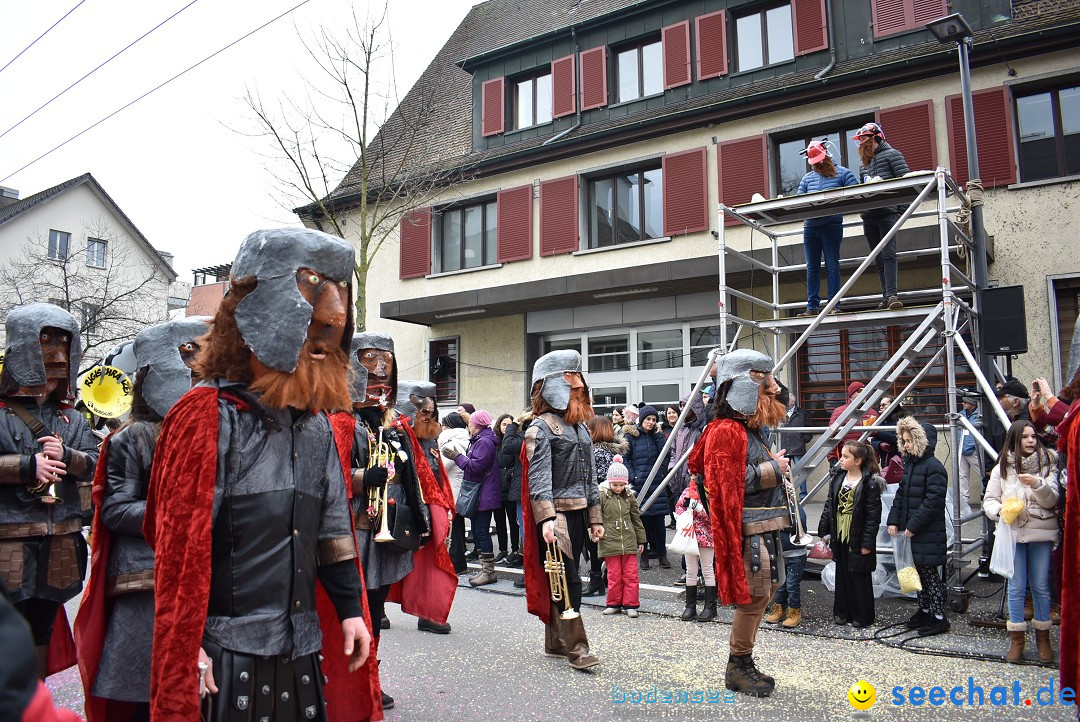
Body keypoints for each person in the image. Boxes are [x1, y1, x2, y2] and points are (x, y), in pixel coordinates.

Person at [142, 228, 377, 721]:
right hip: (226, 656)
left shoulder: (314, 426)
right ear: (252, 304)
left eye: (339, 287)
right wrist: (189, 643)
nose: (335, 312)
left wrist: (352, 609)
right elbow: (179, 551)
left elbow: (334, 532)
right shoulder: (204, 415)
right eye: (311, 282)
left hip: (301, 649)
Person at [75, 318, 208, 721]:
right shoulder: (131, 438)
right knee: (140, 693)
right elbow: (115, 509)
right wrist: (177, 514)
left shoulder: (211, 430)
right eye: (187, 356)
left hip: (199, 573)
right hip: (143, 578)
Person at [0, 302, 98, 680]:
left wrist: (68, 455)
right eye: (46, 339)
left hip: (59, 539)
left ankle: (34, 705)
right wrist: (29, 466)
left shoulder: (73, 418)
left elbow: (93, 462)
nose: (49, 381)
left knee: (41, 630)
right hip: (9, 538)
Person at [687, 349, 790, 697]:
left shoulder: (746, 430)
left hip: (763, 526)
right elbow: (725, 484)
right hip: (749, 531)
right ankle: (738, 665)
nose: (773, 389)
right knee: (754, 599)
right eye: (764, 380)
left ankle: (743, 662)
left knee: (764, 595)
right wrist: (775, 468)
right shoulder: (726, 431)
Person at [521, 349, 603, 671]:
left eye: (579, 379)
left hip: (581, 514)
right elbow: (538, 479)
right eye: (572, 380)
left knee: (568, 577)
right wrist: (547, 519)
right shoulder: (540, 427)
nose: (580, 386)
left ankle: (556, 641)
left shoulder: (581, 428)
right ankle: (577, 648)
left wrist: (595, 517)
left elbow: (591, 477)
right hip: (557, 517)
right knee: (568, 580)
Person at [983, 420, 1059, 663]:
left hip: (1041, 532)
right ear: (1015, 440)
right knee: (1016, 587)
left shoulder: (1047, 466)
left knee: (1040, 586)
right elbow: (989, 500)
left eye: (1033, 437)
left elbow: (1052, 500)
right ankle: (1017, 640)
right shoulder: (1001, 469)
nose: (1030, 441)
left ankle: (1043, 639)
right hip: (1012, 533)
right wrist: (1001, 511)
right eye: (1025, 437)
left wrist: (1037, 484)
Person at [392, 380, 458, 636]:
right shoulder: (395, 432)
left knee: (429, 557)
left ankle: (428, 611)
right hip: (398, 502)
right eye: (423, 409)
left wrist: (442, 502)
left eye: (432, 409)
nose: (428, 413)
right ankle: (378, 607)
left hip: (429, 503)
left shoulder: (430, 436)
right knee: (386, 553)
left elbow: (435, 470)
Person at [887, 417, 949, 637]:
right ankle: (923, 610)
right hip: (913, 532)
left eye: (910, 441)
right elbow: (901, 495)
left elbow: (933, 501)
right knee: (917, 574)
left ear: (924, 442)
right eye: (903, 441)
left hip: (927, 533)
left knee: (931, 576)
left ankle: (939, 616)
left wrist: (912, 525)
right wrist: (894, 520)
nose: (906, 445)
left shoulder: (934, 467)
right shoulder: (912, 465)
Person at [818, 441, 884, 628]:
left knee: (859, 576)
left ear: (858, 461)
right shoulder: (838, 478)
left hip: (857, 533)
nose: (841, 460)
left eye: (846, 456)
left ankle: (862, 615)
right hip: (840, 532)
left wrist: (867, 543)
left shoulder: (868, 483)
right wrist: (824, 530)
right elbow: (829, 506)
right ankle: (842, 612)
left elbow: (873, 517)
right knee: (842, 573)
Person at [795, 139, 859, 316]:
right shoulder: (807, 179)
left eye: (819, 161)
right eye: (815, 163)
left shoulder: (843, 174)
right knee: (812, 268)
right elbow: (799, 202)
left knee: (832, 265)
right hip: (810, 226)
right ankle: (812, 306)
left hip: (831, 224)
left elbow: (857, 193)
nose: (818, 165)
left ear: (826, 156)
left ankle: (834, 305)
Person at [854, 121, 910, 310]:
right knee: (877, 258)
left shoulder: (893, 155)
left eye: (864, 140)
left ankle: (893, 295)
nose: (861, 144)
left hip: (888, 213)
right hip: (870, 216)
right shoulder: (864, 163)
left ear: (875, 138)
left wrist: (901, 210)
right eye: (859, 140)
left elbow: (908, 184)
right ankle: (886, 296)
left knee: (888, 254)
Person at [448, 409, 501, 587]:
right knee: (479, 532)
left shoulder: (484, 442)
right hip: (482, 492)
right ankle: (485, 570)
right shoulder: (481, 440)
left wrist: (457, 457)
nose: (468, 425)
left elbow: (475, 467)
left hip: (483, 493)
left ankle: (488, 572)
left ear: (477, 424)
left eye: (470, 422)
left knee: (481, 532)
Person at [598, 455, 646, 617]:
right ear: (609, 482)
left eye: (621, 485)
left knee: (631, 574)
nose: (618, 488)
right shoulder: (602, 495)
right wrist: (595, 532)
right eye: (615, 484)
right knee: (614, 575)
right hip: (609, 541)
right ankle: (614, 603)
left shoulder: (629, 496)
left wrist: (641, 540)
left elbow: (636, 518)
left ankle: (631, 604)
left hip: (628, 540)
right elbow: (596, 517)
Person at [586, 415, 628, 596]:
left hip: (598, 501)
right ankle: (605, 577)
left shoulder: (595, 452)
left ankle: (597, 579)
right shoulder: (615, 452)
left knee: (594, 540)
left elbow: (591, 479)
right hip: (613, 502)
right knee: (607, 540)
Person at [625, 405, 669, 569]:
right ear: (641, 419)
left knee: (659, 523)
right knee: (642, 522)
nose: (651, 422)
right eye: (648, 419)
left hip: (657, 483)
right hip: (639, 484)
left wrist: (658, 436)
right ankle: (643, 555)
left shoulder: (657, 436)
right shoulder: (631, 436)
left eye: (654, 420)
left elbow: (665, 455)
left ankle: (662, 554)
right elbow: (625, 458)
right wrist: (632, 476)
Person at [674, 477, 716, 622]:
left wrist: (698, 507)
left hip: (706, 536)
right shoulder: (687, 491)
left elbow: (714, 516)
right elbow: (678, 506)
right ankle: (690, 606)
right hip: (689, 535)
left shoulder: (711, 491)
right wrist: (683, 512)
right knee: (691, 571)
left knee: (707, 569)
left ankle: (710, 607)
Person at [439, 412, 471, 573]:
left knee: (454, 529)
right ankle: (456, 563)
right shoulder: (459, 439)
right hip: (454, 488)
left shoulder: (454, 442)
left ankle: (456, 564)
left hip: (452, 490)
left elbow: (441, 467)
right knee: (455, 527)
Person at [828, 381, 879, 463]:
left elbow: (878, 436)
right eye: (859, 391)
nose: (864, 393)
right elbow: (830, 436)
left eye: (865, 390)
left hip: (868, 459)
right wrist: (833, 459)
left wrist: (876, 454)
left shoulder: (872, 413)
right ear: (851, 394)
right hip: (847, 459)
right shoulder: (839, 412)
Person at [494, 413, 521, 565]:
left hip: (511, 486)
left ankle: (515, 550)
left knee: (513, 521)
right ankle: (502, 549)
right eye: (503, 424)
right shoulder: (495, 442)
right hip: (497, 487)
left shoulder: (514, 441)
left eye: (508, 425)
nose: (506, 427)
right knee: (499, 521)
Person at [777, 386, 812, 498]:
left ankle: (803, 495)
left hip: (798, 447)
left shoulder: (802, 413)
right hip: (784, 447)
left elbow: (809, 428)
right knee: (785, 471)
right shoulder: (780, 412)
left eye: (789, 402)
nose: (787, 404)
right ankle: (787, 494)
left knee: (801, 471)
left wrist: (804, 439)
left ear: (793, 402)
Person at [958, 396, 984, 503]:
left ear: (972, 403)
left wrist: (974, 445)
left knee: (982, 474)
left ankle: (986, 495)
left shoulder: (979, 415)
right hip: (961, 449)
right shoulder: (961, 414)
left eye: (965, 402)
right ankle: (964, 501)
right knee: (962, 476)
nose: (963, 404)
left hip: (974, 450)